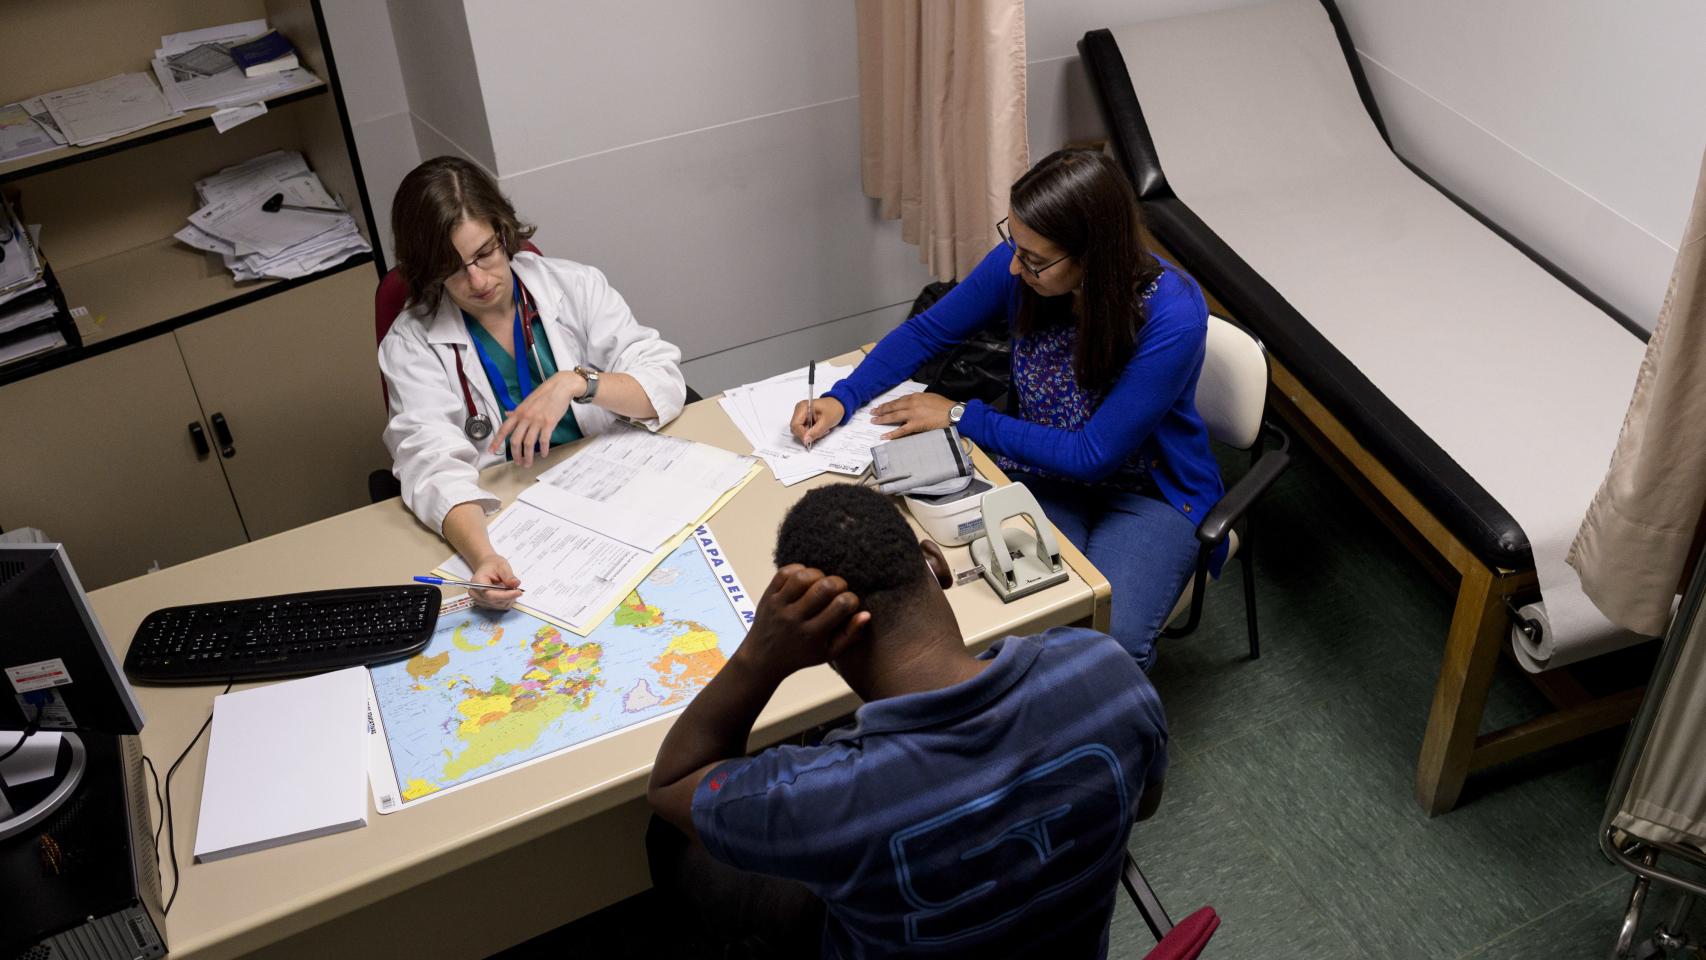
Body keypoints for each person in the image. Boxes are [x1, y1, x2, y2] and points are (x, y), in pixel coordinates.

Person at [647, 483, 1168, 958]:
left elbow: (670, 784)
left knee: (669, 843)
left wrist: (760, 657)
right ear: (935, 563)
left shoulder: (826, 798)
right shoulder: (1107, 671)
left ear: (820, 639)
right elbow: (1143, 804)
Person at [791, 149, 1222, 670]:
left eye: (1035, 259)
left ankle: (1093, 736)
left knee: (1108, 646)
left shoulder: (1172, 314)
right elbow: (930, 331)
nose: (1017, 266)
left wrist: (960, 415)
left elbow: (1094, 454)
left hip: (1148, 495)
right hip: (1041, 474)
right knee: (1005, 613)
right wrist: (844, 396)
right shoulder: (1020, 266)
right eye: (1014, 245)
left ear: (1093, 255)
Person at [379, 157, 686, 609]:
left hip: (615, 499)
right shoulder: (411, 344)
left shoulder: (575, 285)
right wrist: (484, 557)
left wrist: (577, 382)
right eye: (454, 267)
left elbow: (662, 380)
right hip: (514, 529)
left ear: (504, 232)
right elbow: (431, 465)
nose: (478, 280)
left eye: (485, 253)